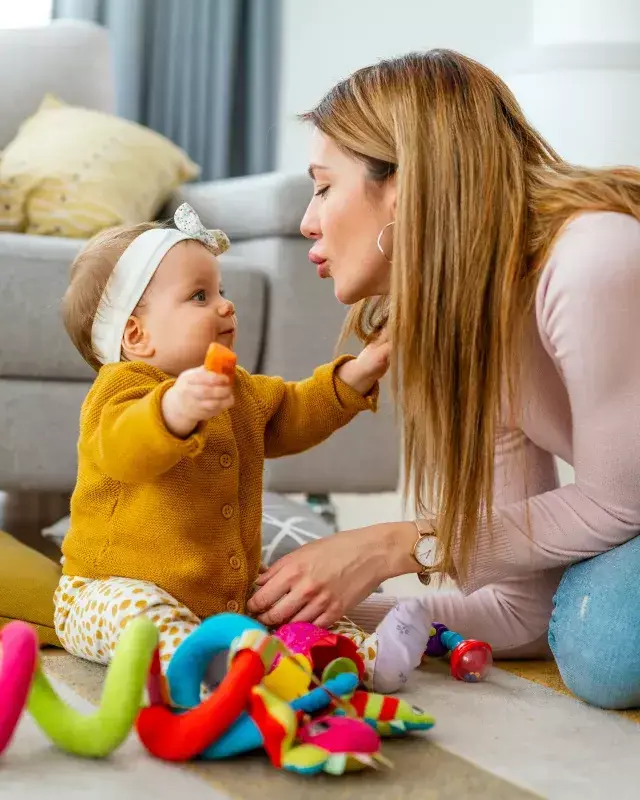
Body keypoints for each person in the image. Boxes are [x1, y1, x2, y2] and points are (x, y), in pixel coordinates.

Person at [248, 49, 640, 709]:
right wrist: (292, 620)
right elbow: (518, 610)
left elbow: (618, 503)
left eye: (323, 186)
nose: (306, 222)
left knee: (605, 651)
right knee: (588, 634)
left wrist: (387, 547)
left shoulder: (592, 259)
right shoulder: (464, 328)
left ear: (405, 189)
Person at [53, 203, 389, 672]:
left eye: (221, 291)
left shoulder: (239, 390)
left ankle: (357, 658)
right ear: (137, 334)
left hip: (221, 598)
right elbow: (124, 449)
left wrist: (356, 375)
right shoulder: (121, 390)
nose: (226, 305)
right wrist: (173, 411)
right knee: (143, 619)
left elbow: (294, 412)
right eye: (199, 296)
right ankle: (211, 664)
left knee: (290, 605)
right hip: (107, 590)